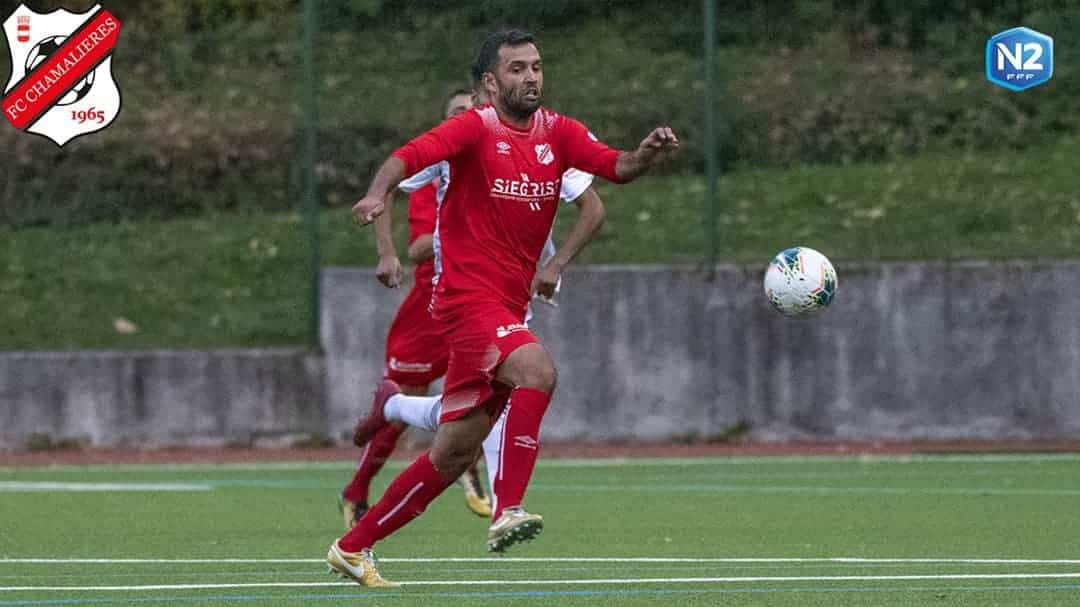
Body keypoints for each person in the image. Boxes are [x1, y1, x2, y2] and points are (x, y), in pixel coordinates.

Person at [327, 28, 678, 588]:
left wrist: (646, 155)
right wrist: (375, 194)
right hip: (465, 302)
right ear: (491, 83)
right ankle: (507, 507)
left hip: (504, 305)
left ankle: (353, 545)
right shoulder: (473, 127)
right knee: (538, 370)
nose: (531, 76)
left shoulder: (558, 133)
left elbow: (617, 167)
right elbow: (405, 157)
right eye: (517, 68)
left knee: (450, 453)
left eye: (536, 66)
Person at [339, 88, 493, 529]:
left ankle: (476, 473)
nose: (467, 117)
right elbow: (421, 246)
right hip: (431, 307)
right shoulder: (436, 170)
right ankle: (357, 489)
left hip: (480, 300)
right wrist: (387, 253)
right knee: (407, 406)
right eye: (457, 112)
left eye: (472, 110)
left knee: (495, 384)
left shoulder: (496, 162)